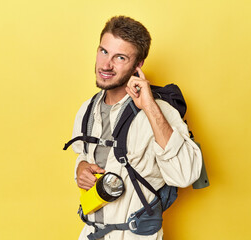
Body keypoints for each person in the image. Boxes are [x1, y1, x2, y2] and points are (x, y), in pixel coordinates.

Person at [70, 16, 202, 240]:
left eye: (120, 57)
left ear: (137, 65)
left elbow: (184, 175)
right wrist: (81, 168)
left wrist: (149, 107)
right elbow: (85, 155)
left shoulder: (159, 111)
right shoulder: (87, 109)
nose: (106, 65)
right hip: (91, 233)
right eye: (103, 51)